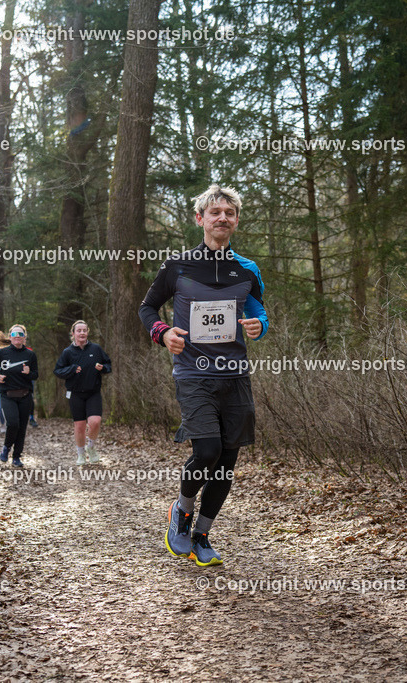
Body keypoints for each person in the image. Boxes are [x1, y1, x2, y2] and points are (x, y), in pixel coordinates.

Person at [138, 184, 268, 567]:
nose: (222, 218)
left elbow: (258, 308)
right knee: (207, 451)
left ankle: (203, 536)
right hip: (193, 373)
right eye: (215, 212)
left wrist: (259, 325)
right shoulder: (176, 266)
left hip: (235, 374)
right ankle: (181, 511)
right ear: (200, 219)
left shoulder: (247, 269)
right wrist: (163, 333)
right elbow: (147, 308)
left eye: (229, 212)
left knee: (227, 462)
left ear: (236, 220)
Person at [53, 320, 112, 465]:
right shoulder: (68, 352)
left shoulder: (96, 349)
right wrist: (71, 369)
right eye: (79, 331)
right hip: (75, 393)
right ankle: (80, 454)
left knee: (95, 422)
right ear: (73, 334)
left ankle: (91, 447)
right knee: (79, 425)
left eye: (84, 330)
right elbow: (58, 371)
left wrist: (102, 368)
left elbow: (108, 365)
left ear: (88, 332)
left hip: (93, 392)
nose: (82, 333)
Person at [0, 324, 39, 468]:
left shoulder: (30, 355)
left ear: (24, 338)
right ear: (10, 337)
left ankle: (16, 457)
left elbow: (36, 374)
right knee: (13, 424)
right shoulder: (2, 354)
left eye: (20, 334)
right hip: (7, 395)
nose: (17, 337)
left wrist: (29, 372)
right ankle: (6, 448)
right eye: (14, 334)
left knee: (22, 427)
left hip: (25, 395)